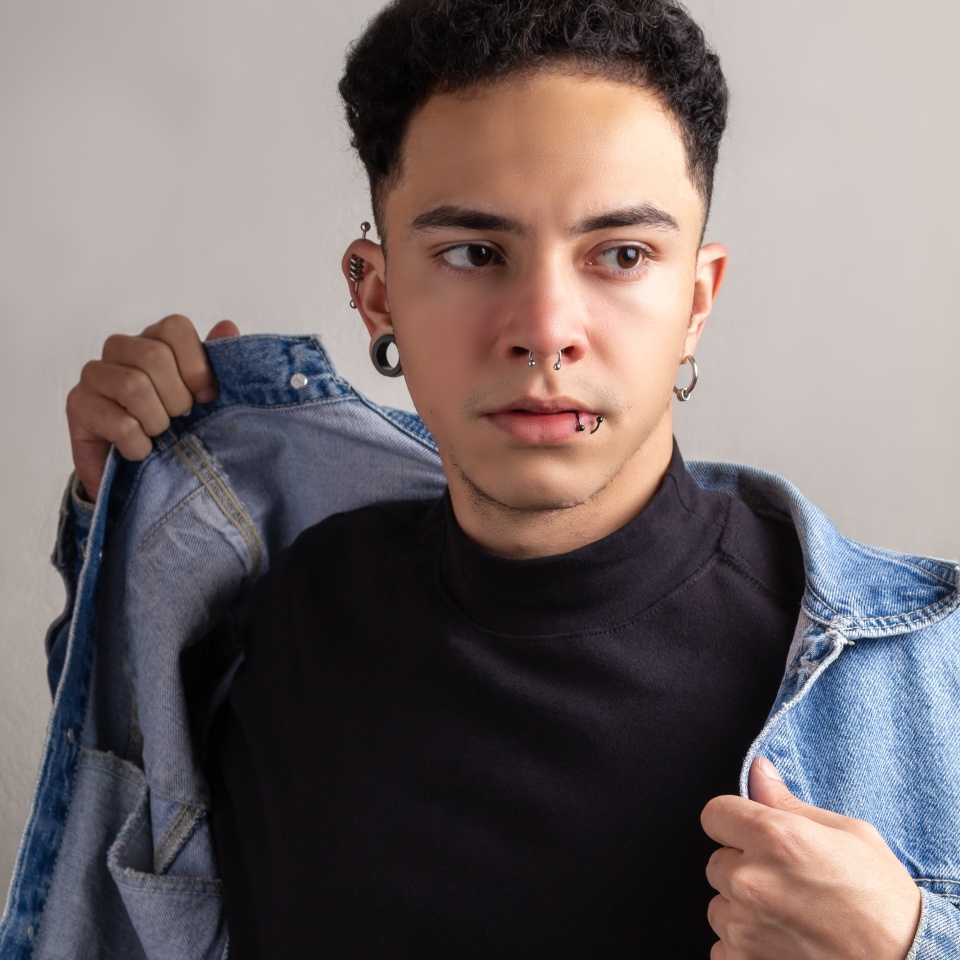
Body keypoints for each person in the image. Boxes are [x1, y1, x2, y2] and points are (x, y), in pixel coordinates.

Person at [19, 0, 959, 957]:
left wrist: (908, 945)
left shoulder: (921, 679)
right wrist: (126, 509)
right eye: (473, 253)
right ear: (376, 294)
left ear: (697, 299)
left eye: (622, 255)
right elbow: (109, 780)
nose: (545, 327)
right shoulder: (277, 615)